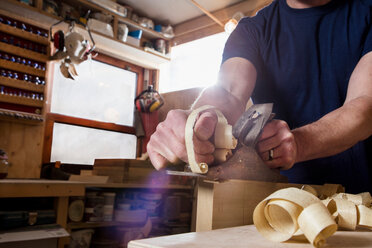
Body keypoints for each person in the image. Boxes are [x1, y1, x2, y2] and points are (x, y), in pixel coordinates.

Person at [147, 0, 372, 194]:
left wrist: (299, 144)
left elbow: (364, 107)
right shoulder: (252, 30)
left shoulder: (366, 12)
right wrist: (195, 123)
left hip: (363, 197)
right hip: (284, 199)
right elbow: (228, 91)